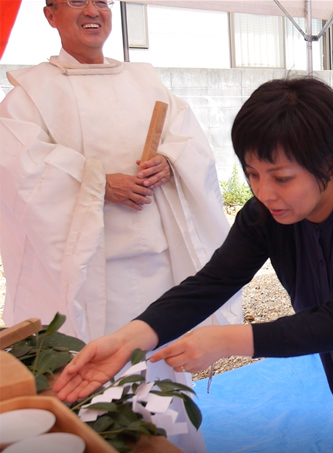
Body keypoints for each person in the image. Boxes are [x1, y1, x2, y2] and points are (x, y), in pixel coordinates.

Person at [54, 77, 333, 453]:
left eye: (282, 177)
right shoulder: (268, 215)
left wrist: (227, 340)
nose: (264, 191)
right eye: (252, 174)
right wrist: (129, 337)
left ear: (328, 163)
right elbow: (214, 281)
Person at [0, 1, 241, 450]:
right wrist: (95, 184)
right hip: (88, 277)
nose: (93, 11)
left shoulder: (143, 80)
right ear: (51, 15)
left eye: (102, 1)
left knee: (161, 383)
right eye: (76, 2)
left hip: (156, 271)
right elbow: (21, 170)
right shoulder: (30, 93)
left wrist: (170, 163)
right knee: (93, 385)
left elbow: (190, 141)